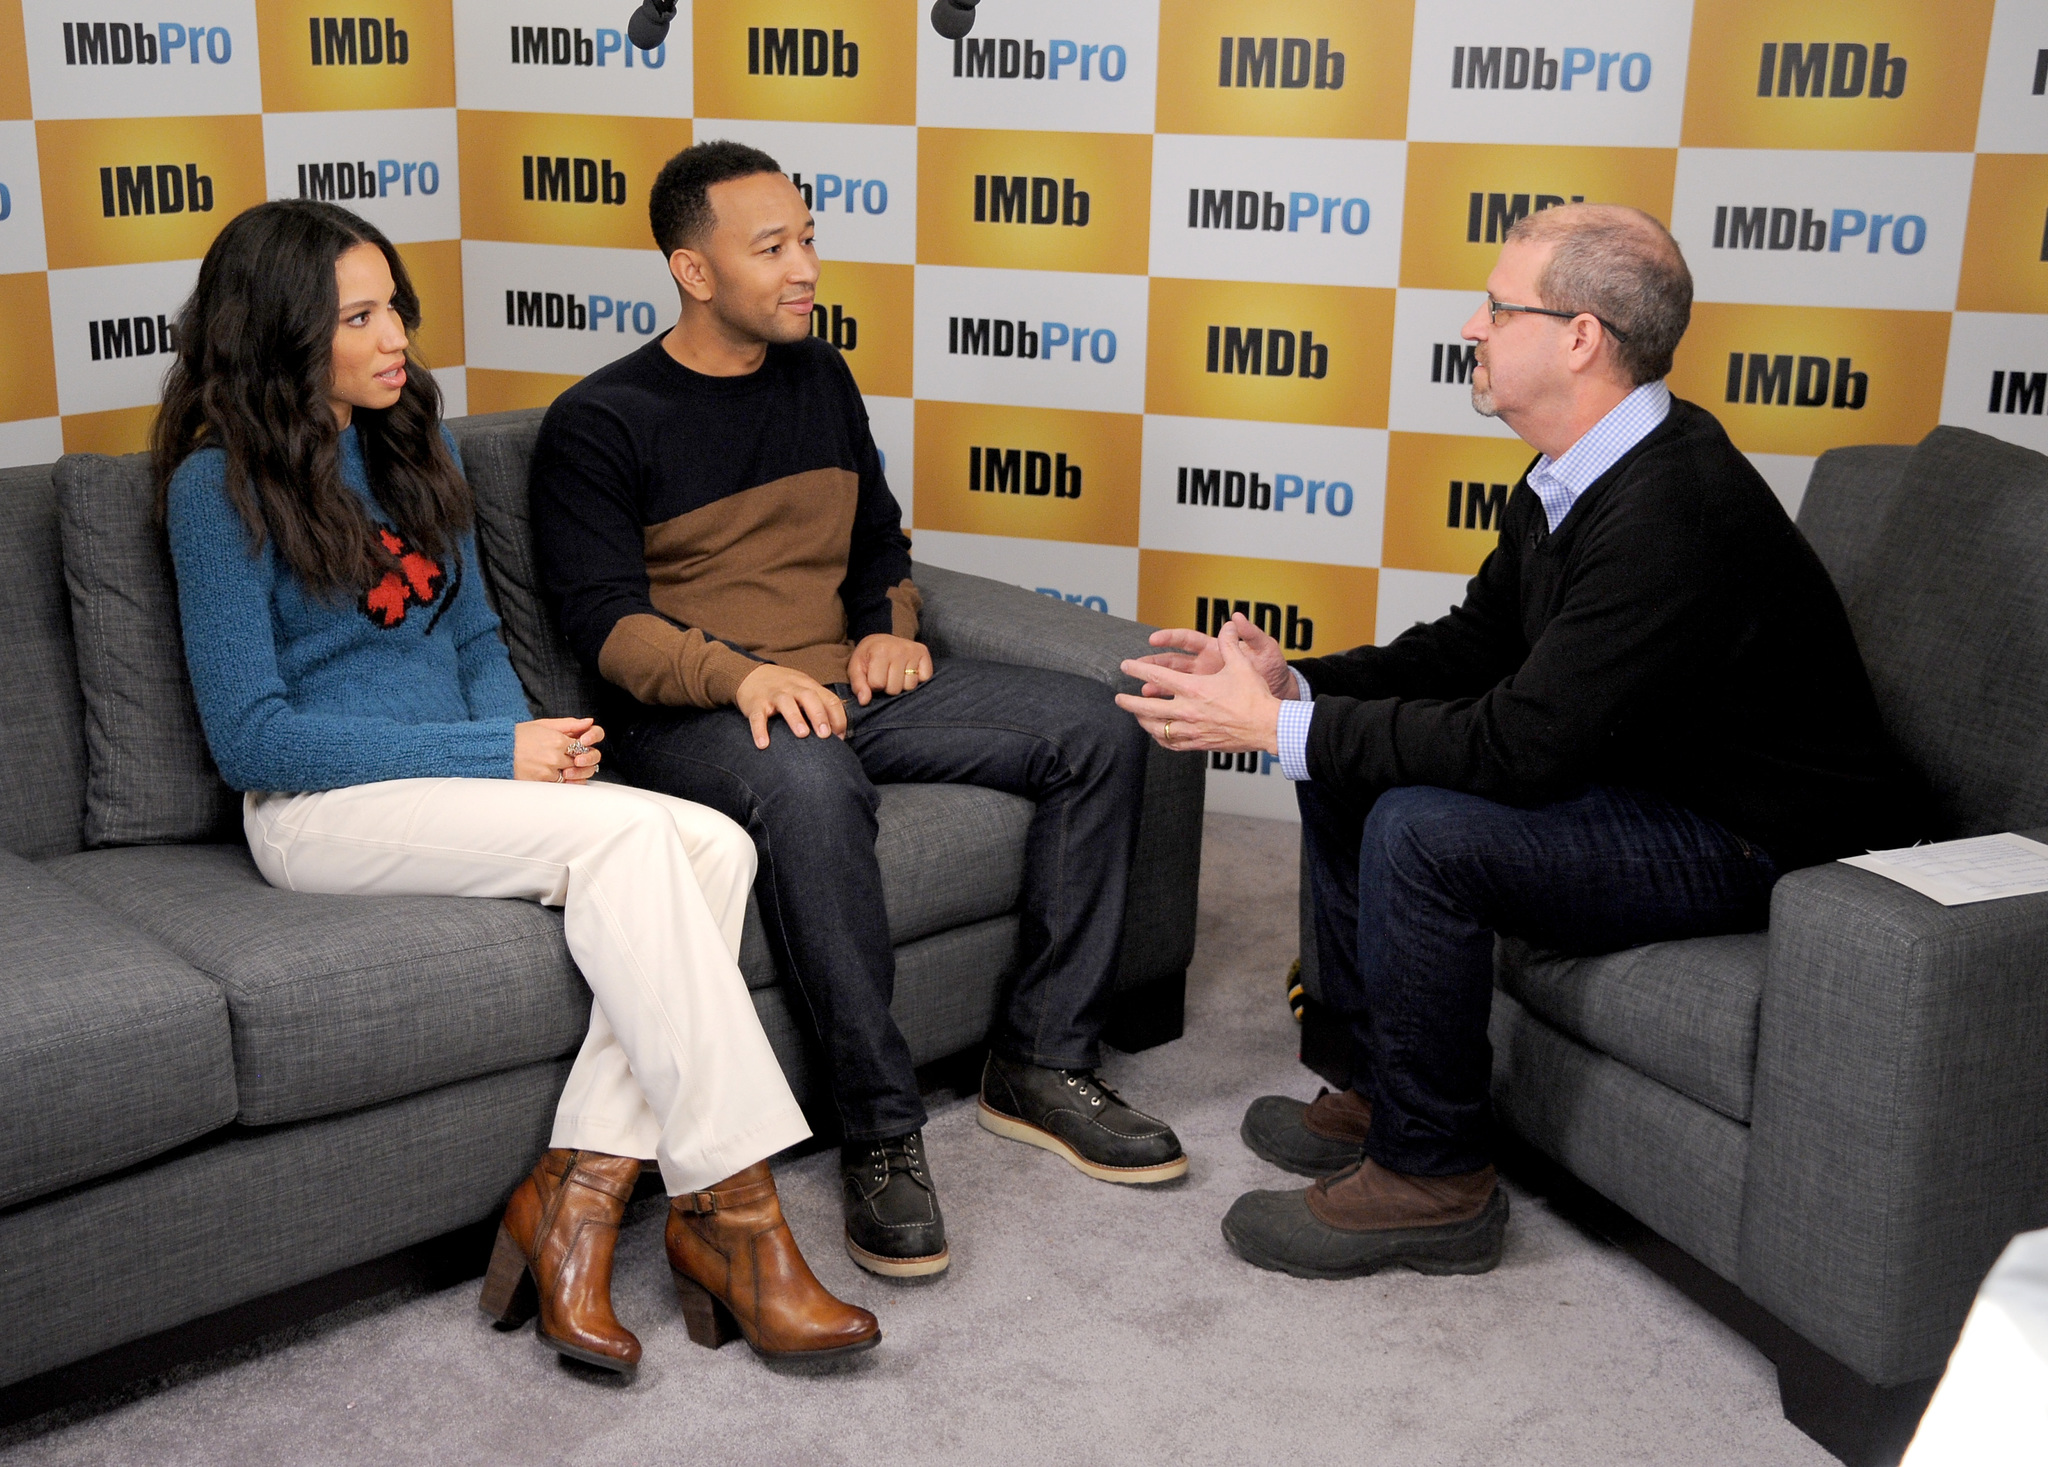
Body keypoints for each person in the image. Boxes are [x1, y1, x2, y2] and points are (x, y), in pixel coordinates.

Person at [1116, 203, 1921, 1279]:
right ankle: (1374, 1090)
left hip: (1755, 837)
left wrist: (1280, 727)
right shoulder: (1569, 475)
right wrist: (1295, 685)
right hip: (1652, 778)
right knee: (1344, 761)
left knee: (1420, 826)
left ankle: (1432, 1178)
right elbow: (1472, 647)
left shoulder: (1670, 507)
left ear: (1579, 337)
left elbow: (1519, 747)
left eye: (1497, 308)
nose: (1470, 326)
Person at [156, 198, 879, 1378]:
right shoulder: (216, 487)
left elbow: (478, 633)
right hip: (319, 814)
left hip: (459, 784)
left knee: (714, 846)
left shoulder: (410, 447)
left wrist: (528, 738)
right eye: (360, 316)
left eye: (396, 306)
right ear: (282, 334)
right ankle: (739, 1223)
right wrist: (495, 759)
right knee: (636, 851)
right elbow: (256, 743)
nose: (397, 337)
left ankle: (573, 1199)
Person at [529, 140, 1184, 1281]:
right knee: (807, 776)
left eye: (808, 239)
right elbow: (605, 626)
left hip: (840, 681)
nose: (806, 269)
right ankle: (878, 1130)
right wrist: (741, 678)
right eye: (771, 247)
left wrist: (890, 622)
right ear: (692, 270)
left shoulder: (819, 377)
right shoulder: (601, 421)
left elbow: (878, 541)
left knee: (1099, 727)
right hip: (691, 715)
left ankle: (1037, 1059)